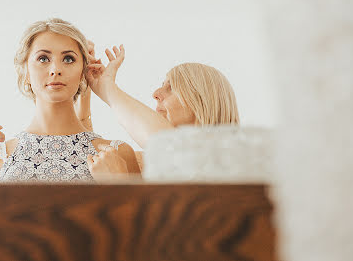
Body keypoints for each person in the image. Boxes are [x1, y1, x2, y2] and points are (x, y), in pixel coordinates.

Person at [0, 19, 140, 182]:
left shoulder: (118, 154)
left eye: (68, 59)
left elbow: (142, 215)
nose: (56, 69)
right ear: (25, 71)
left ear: (83, 72)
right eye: (43, 59)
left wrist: (117, 186)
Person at [85, 45, 239, 178]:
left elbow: (167, 143)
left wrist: (107, 88)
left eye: (172, 87)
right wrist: (86, 83)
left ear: (203, 102)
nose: (156, 93)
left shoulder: (228, 163)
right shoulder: (139, 162)